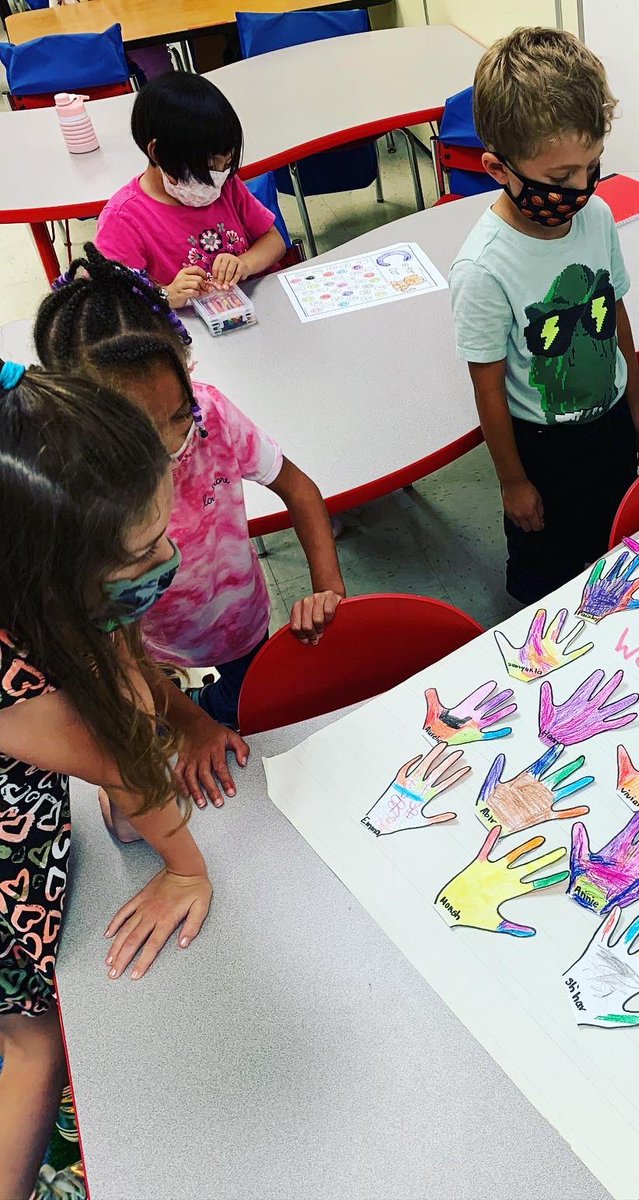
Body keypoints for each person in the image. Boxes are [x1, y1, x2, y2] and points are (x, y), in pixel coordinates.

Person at [0, 362, 212, 1200]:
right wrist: (187, 868)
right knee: (35, 1045)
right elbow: (127, 764)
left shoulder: (37, 582)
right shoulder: (18, 690)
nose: (169, 555)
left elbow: (116, 692)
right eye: (142, 553)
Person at [35, 246, 346, 806]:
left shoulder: (214, 417)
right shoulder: (68, 493)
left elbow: (299, 489)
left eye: (178, 415)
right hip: (148, 658)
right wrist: (189, 726)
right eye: (130, 430)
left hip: (242, 623)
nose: (166, 445)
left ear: (187, 369)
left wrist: (328, 588)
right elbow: (114, 651)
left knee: (250, 716)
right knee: (163, 749)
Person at [449, 27, 639, 605]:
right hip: (542, 449)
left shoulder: (598, 219)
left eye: (592, 166)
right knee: (551, 581)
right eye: (561, 178)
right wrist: (513, 482)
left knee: (620, 553)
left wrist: (638, 403)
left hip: (610, 426)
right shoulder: (484, 269)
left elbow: (615, 313)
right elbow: (488, 390)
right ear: (498, 169)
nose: (582, 189)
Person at [95, 71, 285, 309]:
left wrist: (244, 264)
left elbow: (274, 241)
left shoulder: (226, 185)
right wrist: (164, 296)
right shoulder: (124, 219)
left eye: (226, 164)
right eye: (207, 167)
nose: (218, 178)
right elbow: (110, 302)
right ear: (157, 153)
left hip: (259, 312)